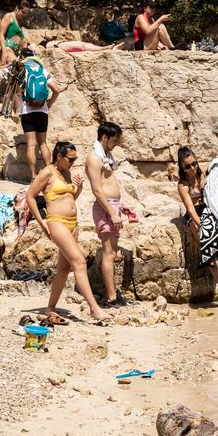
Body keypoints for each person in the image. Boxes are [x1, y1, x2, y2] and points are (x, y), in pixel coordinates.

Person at [25, 141, 112, 324]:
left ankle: (50, 307)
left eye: (75, 159)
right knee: (79, 261)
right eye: (70, 159)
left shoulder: (66, 172)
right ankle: (94, 309)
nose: (73, 162)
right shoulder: (47, 172)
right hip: (57, 222)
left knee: (64, 269)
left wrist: (78, 187)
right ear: (59, 156)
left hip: (73, 224)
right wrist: (42, 223)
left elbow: (70, 198)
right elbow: (30, 196)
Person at [176, 146, 218, 302]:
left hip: (208, 209)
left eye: (194, 163)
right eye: (187, 166)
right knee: (206, 242)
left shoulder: (202, 174)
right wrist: (200, 224)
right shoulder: (182, 185)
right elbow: (189, 207)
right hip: (193, 214)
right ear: (182, 168)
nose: (192, 168)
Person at [86, 121, 124, 307]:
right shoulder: (94, 158)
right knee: (109, 253)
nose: (116, 144)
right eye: (114, 140)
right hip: (105, 208)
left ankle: (111, 293)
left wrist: (120, 208)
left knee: (113, 253)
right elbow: (97, 190)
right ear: (104, 137)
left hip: (113, 207)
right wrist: (112, 213)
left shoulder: (107, 156)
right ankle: (111, 297)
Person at [16, 50, 61, 180]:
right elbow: (56, 90)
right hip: (42, 110)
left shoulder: (23, 69)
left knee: (31, 144)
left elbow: (17, 90)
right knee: (43, 143)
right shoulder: (43, 70)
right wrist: (49, 104)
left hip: (27, 111)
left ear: (23, 57)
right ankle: (50, 172)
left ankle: (33, 176)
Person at [0, 0, 30, 65]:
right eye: (23, 12)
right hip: (8, 49)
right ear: (17, 8)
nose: (23, 15)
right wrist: (4, 52)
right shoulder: (9, 16)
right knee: (19, 67)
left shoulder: (18, 22)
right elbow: (1, 34)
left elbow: (20, 41)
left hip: (17, 51)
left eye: (25, 14)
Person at [37, 39, 125, 53]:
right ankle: (106, 48)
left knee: (88, 45)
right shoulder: (34, 46)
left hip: (62, 43)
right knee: (82, 47)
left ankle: (111, 49)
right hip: (58, 46)